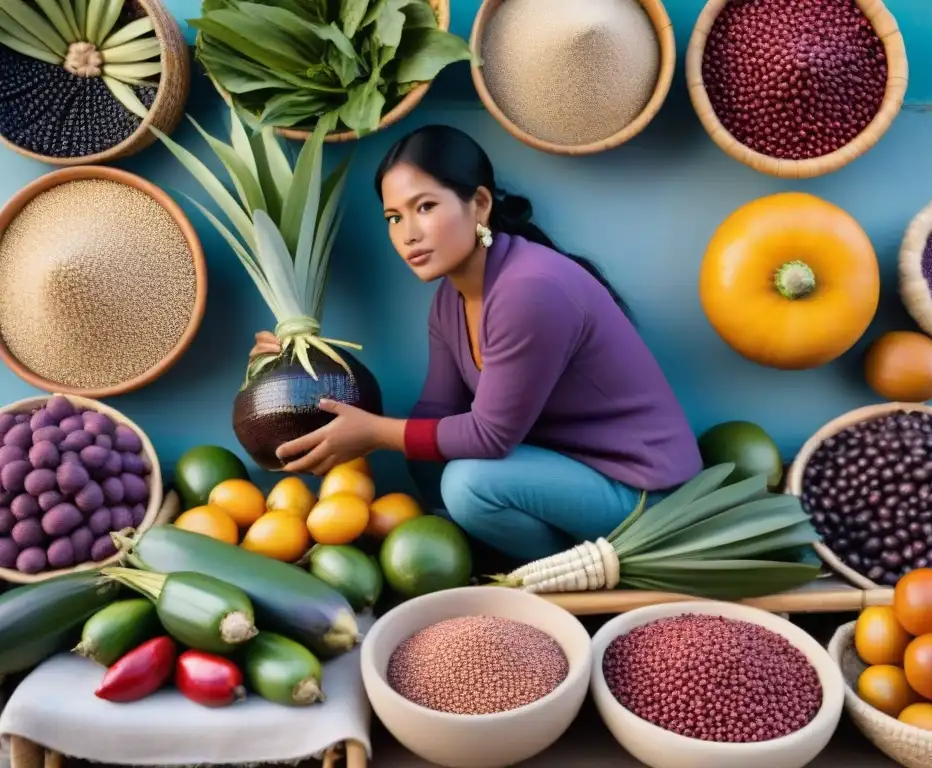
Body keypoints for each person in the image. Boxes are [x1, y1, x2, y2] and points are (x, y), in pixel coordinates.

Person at [251, 124, 703, 562]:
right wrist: (297, 379)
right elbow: (435, 418)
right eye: (394, 217)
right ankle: (467, 560)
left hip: (647, 498)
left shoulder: (531, 288)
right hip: (567, 477)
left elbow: (489, 437)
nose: (408, 233)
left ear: (479, 204)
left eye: (425, 207)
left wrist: (373, 433)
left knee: (469, 483)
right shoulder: (451, 301)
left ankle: (568, 576)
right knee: (427, 459)